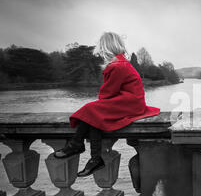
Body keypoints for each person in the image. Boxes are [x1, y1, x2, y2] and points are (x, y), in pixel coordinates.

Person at [54, 32, 160, 177]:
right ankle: (94, 158)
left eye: (101, 49)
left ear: (106, 48)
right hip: (132, 102)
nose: (100, 53)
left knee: (90, 109)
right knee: (95, 114)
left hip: (130, 103)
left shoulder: (116, 66)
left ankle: (77, 145)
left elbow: (106, 94)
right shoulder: (122, 62)